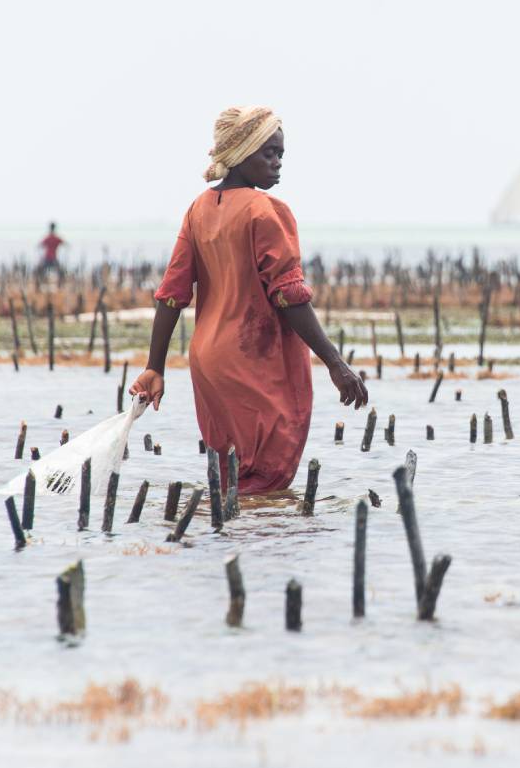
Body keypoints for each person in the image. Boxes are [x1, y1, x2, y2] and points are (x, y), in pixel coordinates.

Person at [130, 105, 367, 495]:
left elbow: (171, 296)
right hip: (253, 359)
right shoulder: (265, 211)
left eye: (280, 155)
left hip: (209, 364)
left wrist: (155, 367)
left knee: (233, 477)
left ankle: (225, 542)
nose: (276, 163)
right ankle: (260, 549)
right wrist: (336, 363)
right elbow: (290, 296)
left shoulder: (198, 209)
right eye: (268, 153)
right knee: (268, 476)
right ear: (241, 153)